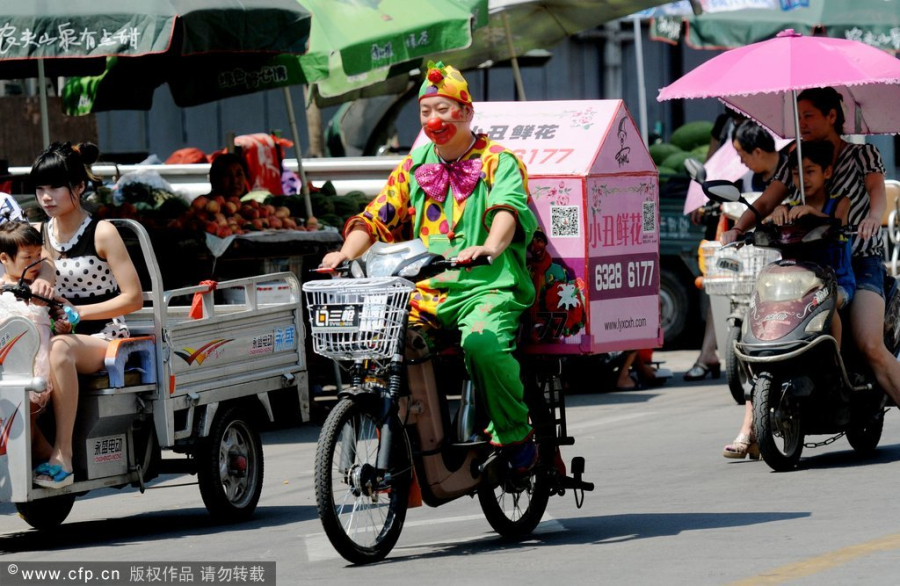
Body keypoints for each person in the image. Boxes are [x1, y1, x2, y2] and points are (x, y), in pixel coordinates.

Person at [320, 61, 539, 472]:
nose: (434, 120)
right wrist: (345, 254)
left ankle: (515, 432)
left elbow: (508, 209)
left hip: (486, 286)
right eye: (426, 112)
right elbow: (377, 215)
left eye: (444, 109)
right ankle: (407, 440)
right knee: (383, 345)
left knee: (482, 344)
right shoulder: (416, 164)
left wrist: (489, 246)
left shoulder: (498, 161)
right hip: (425, 291)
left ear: (467, 111)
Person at [721, 86, 900, 453]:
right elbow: (768, 199)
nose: (801, 124)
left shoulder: (863, 154)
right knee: (768, 334)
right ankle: (752, 427)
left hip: (857, 260)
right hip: (801, 266)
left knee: (869, 344)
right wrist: (738, 229)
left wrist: (871, 218)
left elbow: (877, 195)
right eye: (798, 116)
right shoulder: (792, 157)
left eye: (809, 116)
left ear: (832, 117)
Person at [30, 142, 143, 489]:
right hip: (55, 331)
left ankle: (63, 456)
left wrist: (78, 313)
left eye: (55, 187)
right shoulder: (38, 234)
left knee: (62, 349)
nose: (46, 197)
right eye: (40, 188)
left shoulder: (102, 231)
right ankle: (39, 447)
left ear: (78, 187)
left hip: (105, 335)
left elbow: (133, 297)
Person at [0, 222, 73, 462]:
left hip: (35, 367)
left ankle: (42, 463)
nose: (35, 262)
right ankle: (45, 461)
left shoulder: (41, 291)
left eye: (38, 256)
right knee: (19, 420)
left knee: (26, 416)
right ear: (4, 258)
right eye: (27, 257)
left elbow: (67, 313)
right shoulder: (2, 291)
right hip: (6, 365)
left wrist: (64, 324)